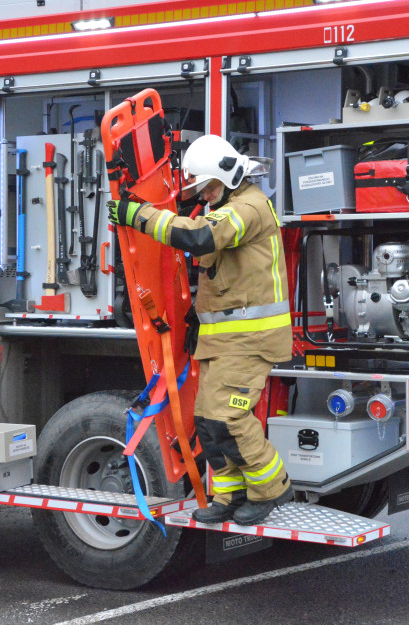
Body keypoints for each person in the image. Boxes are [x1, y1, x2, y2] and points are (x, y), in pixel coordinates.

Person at [107, 134, 293, 526]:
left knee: (231, 419)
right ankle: (228, 495)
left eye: (207, 187)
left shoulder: (249, 207)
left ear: (227, 177)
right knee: (208, 423)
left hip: (249, 342)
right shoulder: (227, 207)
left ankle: (272, 488)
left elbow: (198, 237)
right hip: (223, 341)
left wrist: (137, 216)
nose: (204, 196)